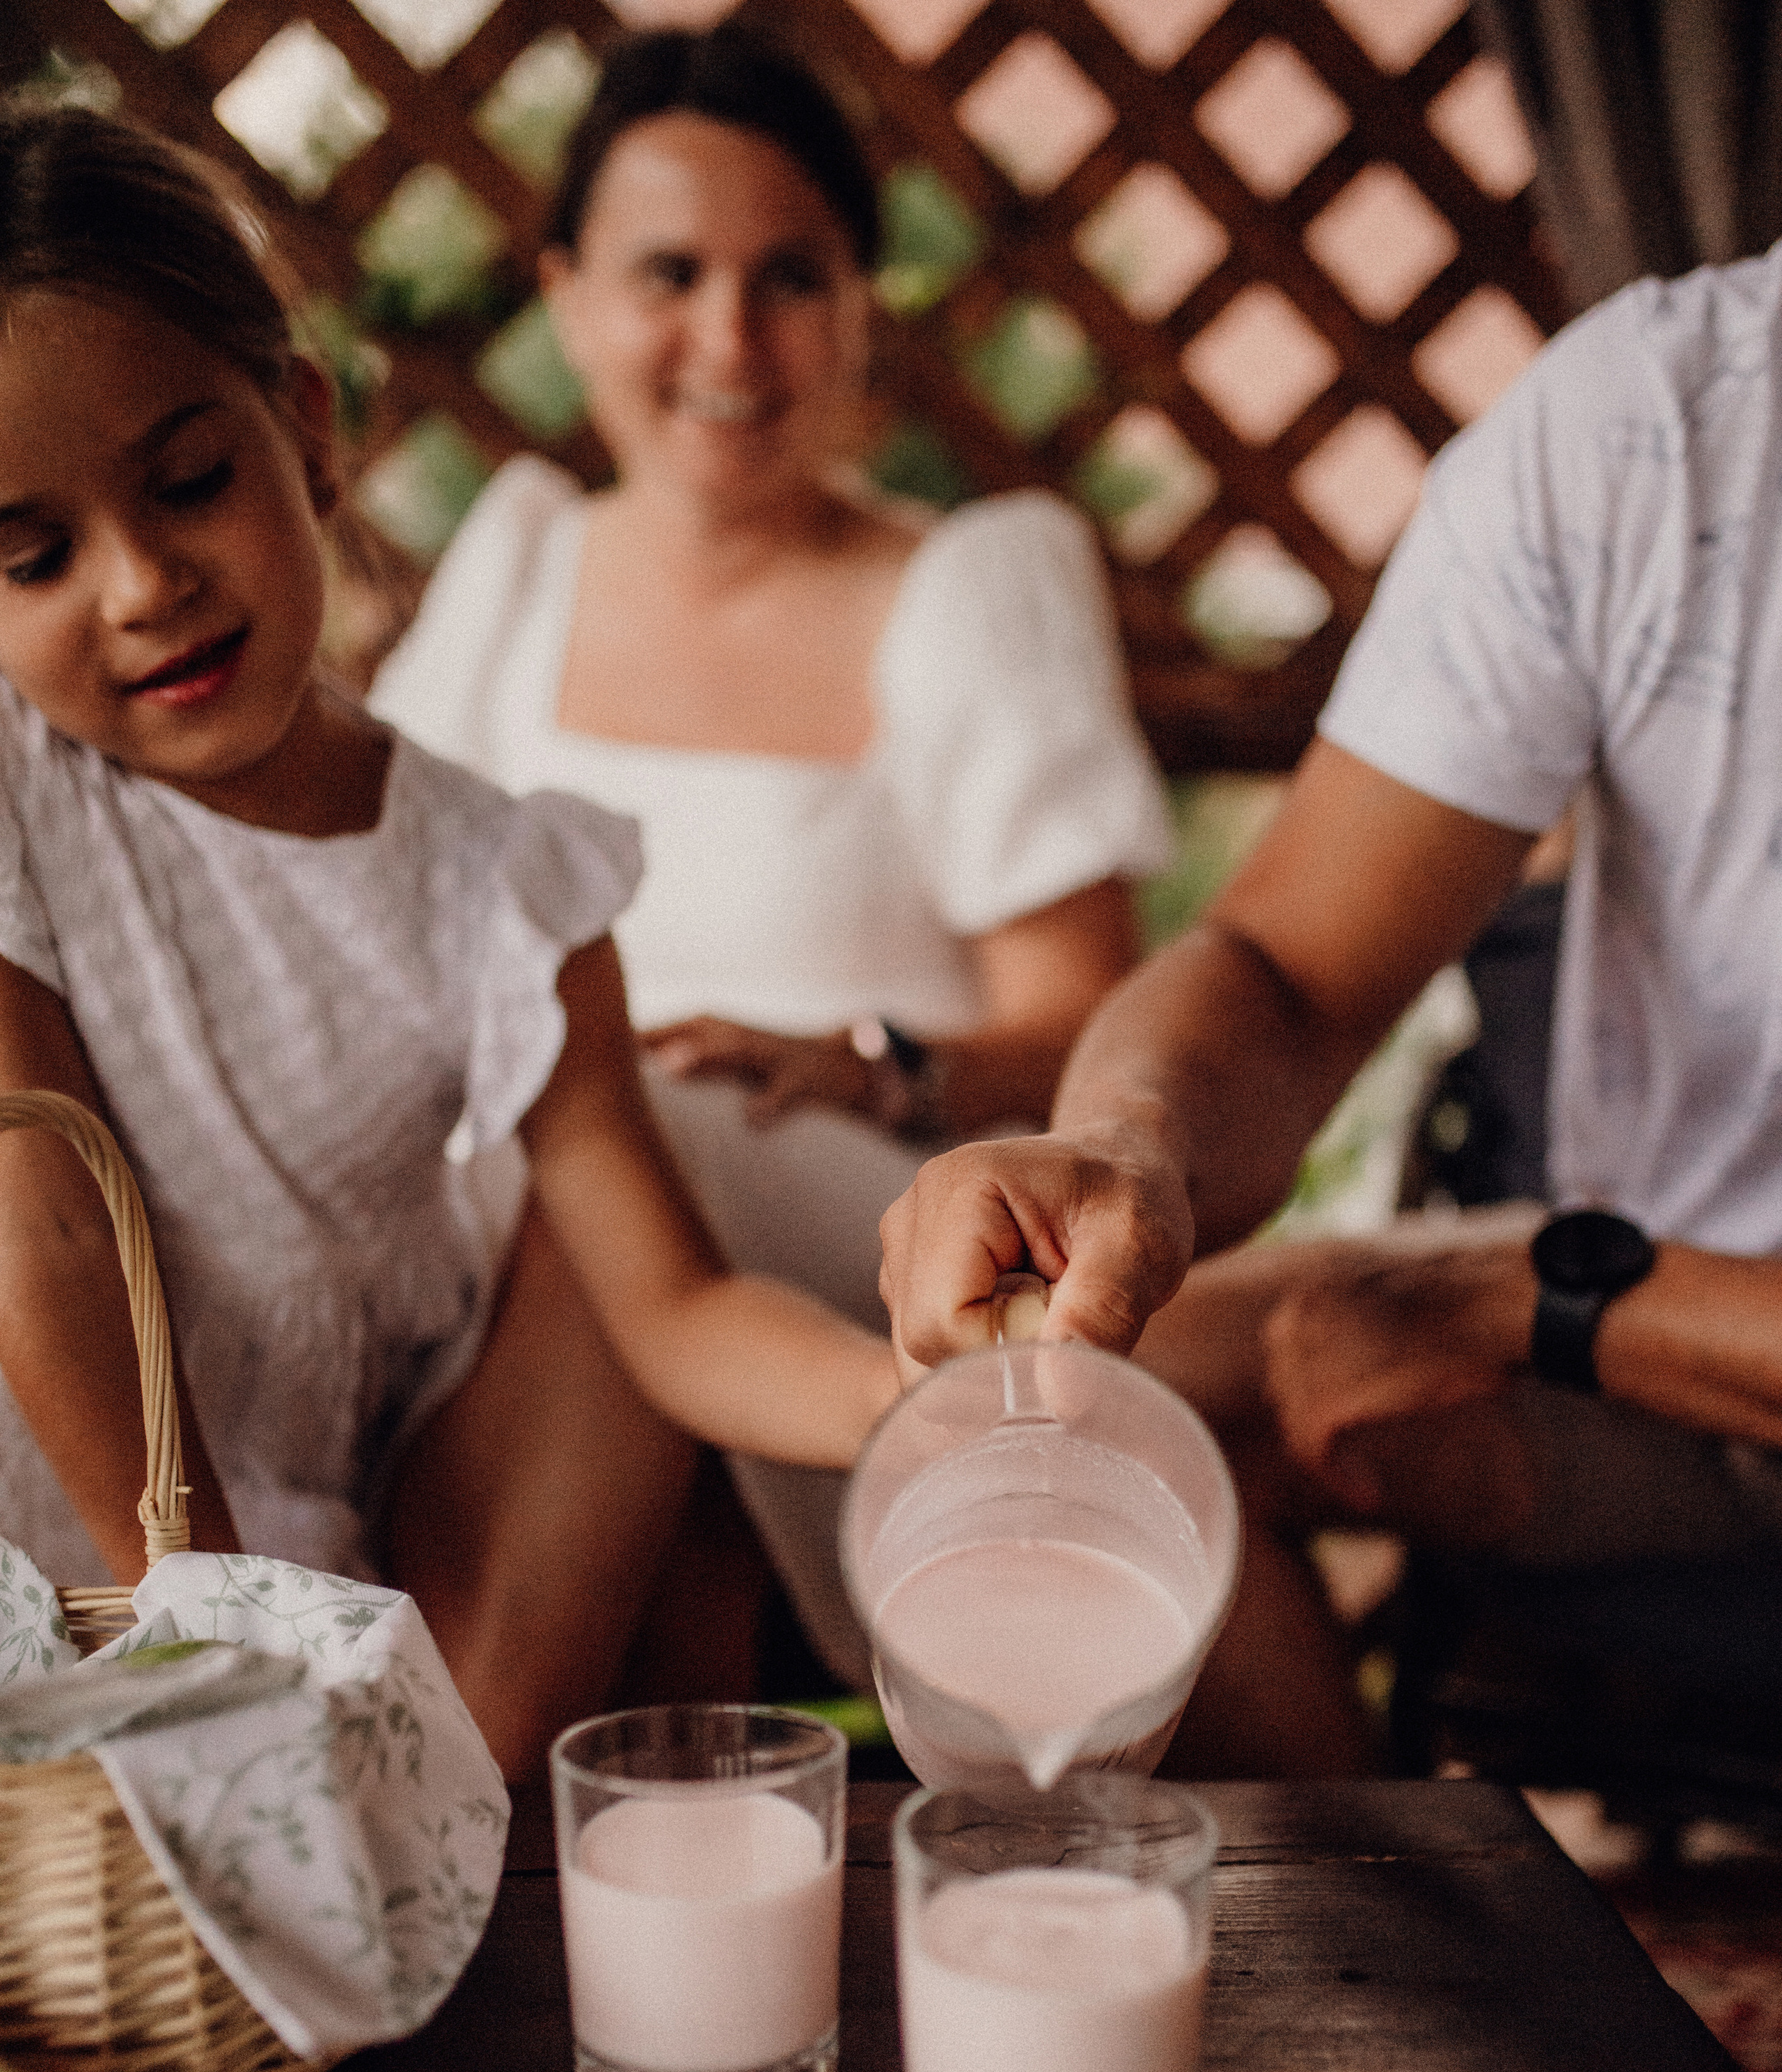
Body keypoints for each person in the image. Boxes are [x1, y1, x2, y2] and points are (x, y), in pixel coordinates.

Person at [0, 102, 898, 1784]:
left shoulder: (500, 881)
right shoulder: (12, 788)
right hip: (88, 1583)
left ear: (308, 431)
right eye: (30, 556)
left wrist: (904, 1410)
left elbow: (672, 1312)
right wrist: (207, 1632)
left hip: (335, 1564)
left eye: (190, 483)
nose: (138, 586)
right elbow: (42, 1229)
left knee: (616, 1224)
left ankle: (436, 1819)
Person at [878, 237, 1782, 1773]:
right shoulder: (1665, 415)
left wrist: (1521, 1296)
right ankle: (1327, 1941)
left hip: (1638, 1322)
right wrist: (1124, 1149)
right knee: (1066, 1420)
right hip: (1651, 1323)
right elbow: (1287, 974)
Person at [370, 24, 1171, 1680]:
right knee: (592, 1175)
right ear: (568, 292)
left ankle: (471, 1779)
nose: (728, 338)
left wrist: (869, 1063)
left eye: (789, 276)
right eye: (667, 272)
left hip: (868, 1234)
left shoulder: (965, 588)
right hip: (523, 1236)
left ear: (859, 306)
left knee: (658, 1134)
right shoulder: (518, 564)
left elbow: (1087, 1030)